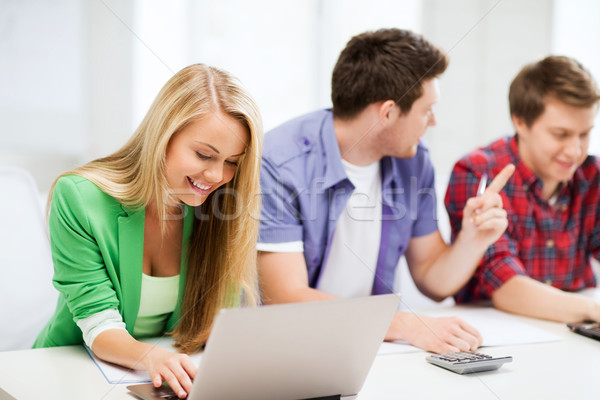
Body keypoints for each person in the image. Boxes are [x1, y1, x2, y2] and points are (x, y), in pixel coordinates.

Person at [257, 28, 514, 354]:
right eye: (426, 110)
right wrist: (407, 325)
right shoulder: (280, 161)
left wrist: (473, 238)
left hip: (371, 347)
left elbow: (433, 280)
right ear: (388, 112)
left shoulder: (414, 161)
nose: (432, 122)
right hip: (292, 346)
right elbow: (286, 298)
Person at [33, 64, 263, 398]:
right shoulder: (80, 197)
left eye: (232, 162)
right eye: (204, 155)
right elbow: (99, 326)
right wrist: (152, 357)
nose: (216, 175)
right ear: (163, 136)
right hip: (72, 374)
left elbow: (216, 325)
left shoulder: (221, 209)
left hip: (167, 381)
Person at [444, 55, 600, 323]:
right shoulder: (477, 172)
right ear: (520, 122)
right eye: (560, 134)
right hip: (499, 333)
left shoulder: (591, 174)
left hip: (574, 329)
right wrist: (591, 310)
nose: (575, 151)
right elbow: (505, 286)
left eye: (584, 134)